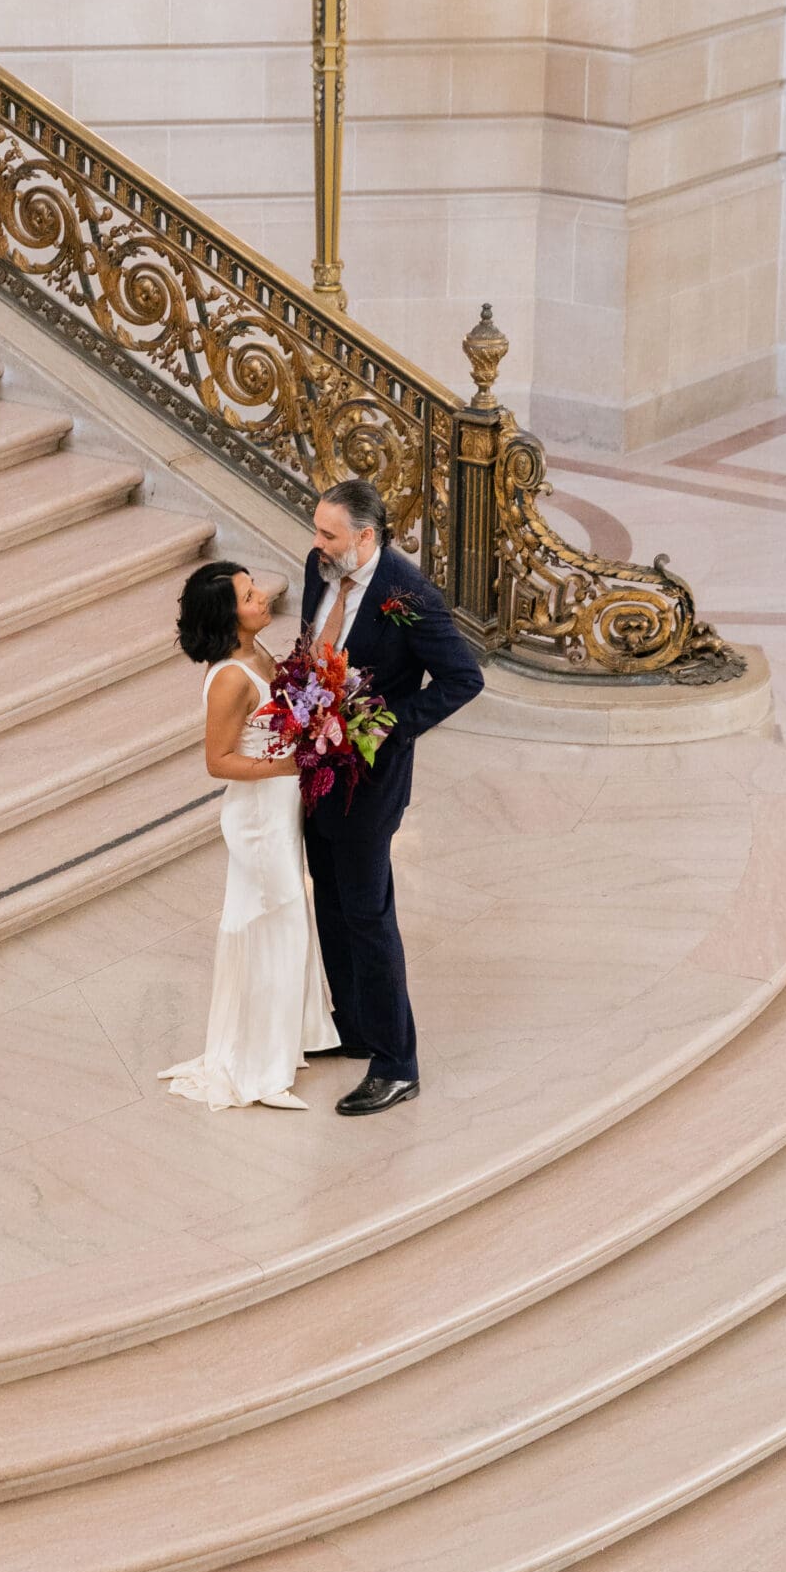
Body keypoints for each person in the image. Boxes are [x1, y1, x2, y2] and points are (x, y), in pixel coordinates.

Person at [301, 477, 483, 1115]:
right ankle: (352, 1025)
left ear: (366, 536)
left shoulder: (411, 596)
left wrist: (384, 727)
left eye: (329, 533)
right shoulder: (319, 566)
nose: (316, 542)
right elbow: (312, 648)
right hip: (315, 769)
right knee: (329, 900)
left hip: (370, 781)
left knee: (369, 915)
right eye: (317, 529)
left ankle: (396, 1062)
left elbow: (464, 677)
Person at [161, 560, 337, 1110]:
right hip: (258, 815)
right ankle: (258, 1058)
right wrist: (286, 767)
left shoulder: (256, 654)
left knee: (287, 916)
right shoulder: (232, 678)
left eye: (253, 587)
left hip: (280, 808)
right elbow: (218, 761)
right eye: (247, 595)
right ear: (227, 618)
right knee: (272, 917)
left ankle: (292, 1034)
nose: (261, 596)